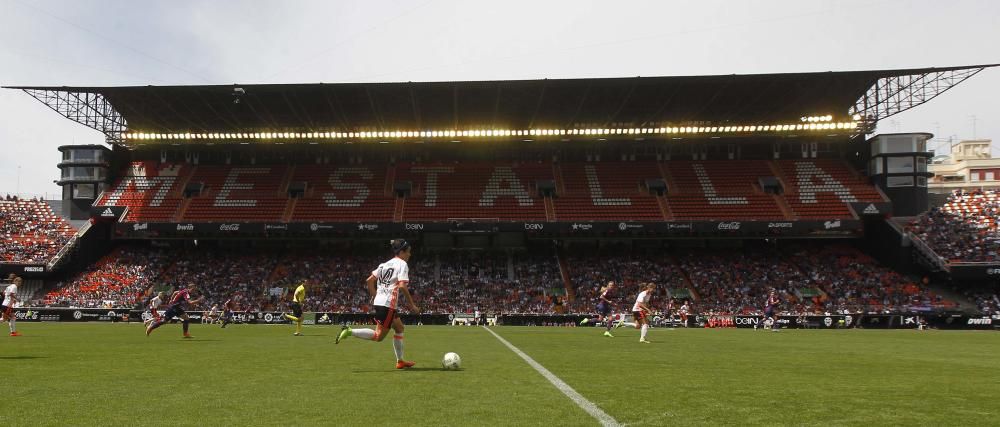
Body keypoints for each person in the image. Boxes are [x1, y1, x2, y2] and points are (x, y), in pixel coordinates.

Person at [337, 239, 420, 369]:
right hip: (388, 305)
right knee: (378, 336)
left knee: (399, 328)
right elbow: (403, 286)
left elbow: (369, 280)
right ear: (402, 252)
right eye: (408, 252)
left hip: (381, 302)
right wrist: (412, 305)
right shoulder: (402, 264)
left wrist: (375, 295)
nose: (410, 255)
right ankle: (349, 331)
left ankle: (400, 361)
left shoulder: (384, 264)